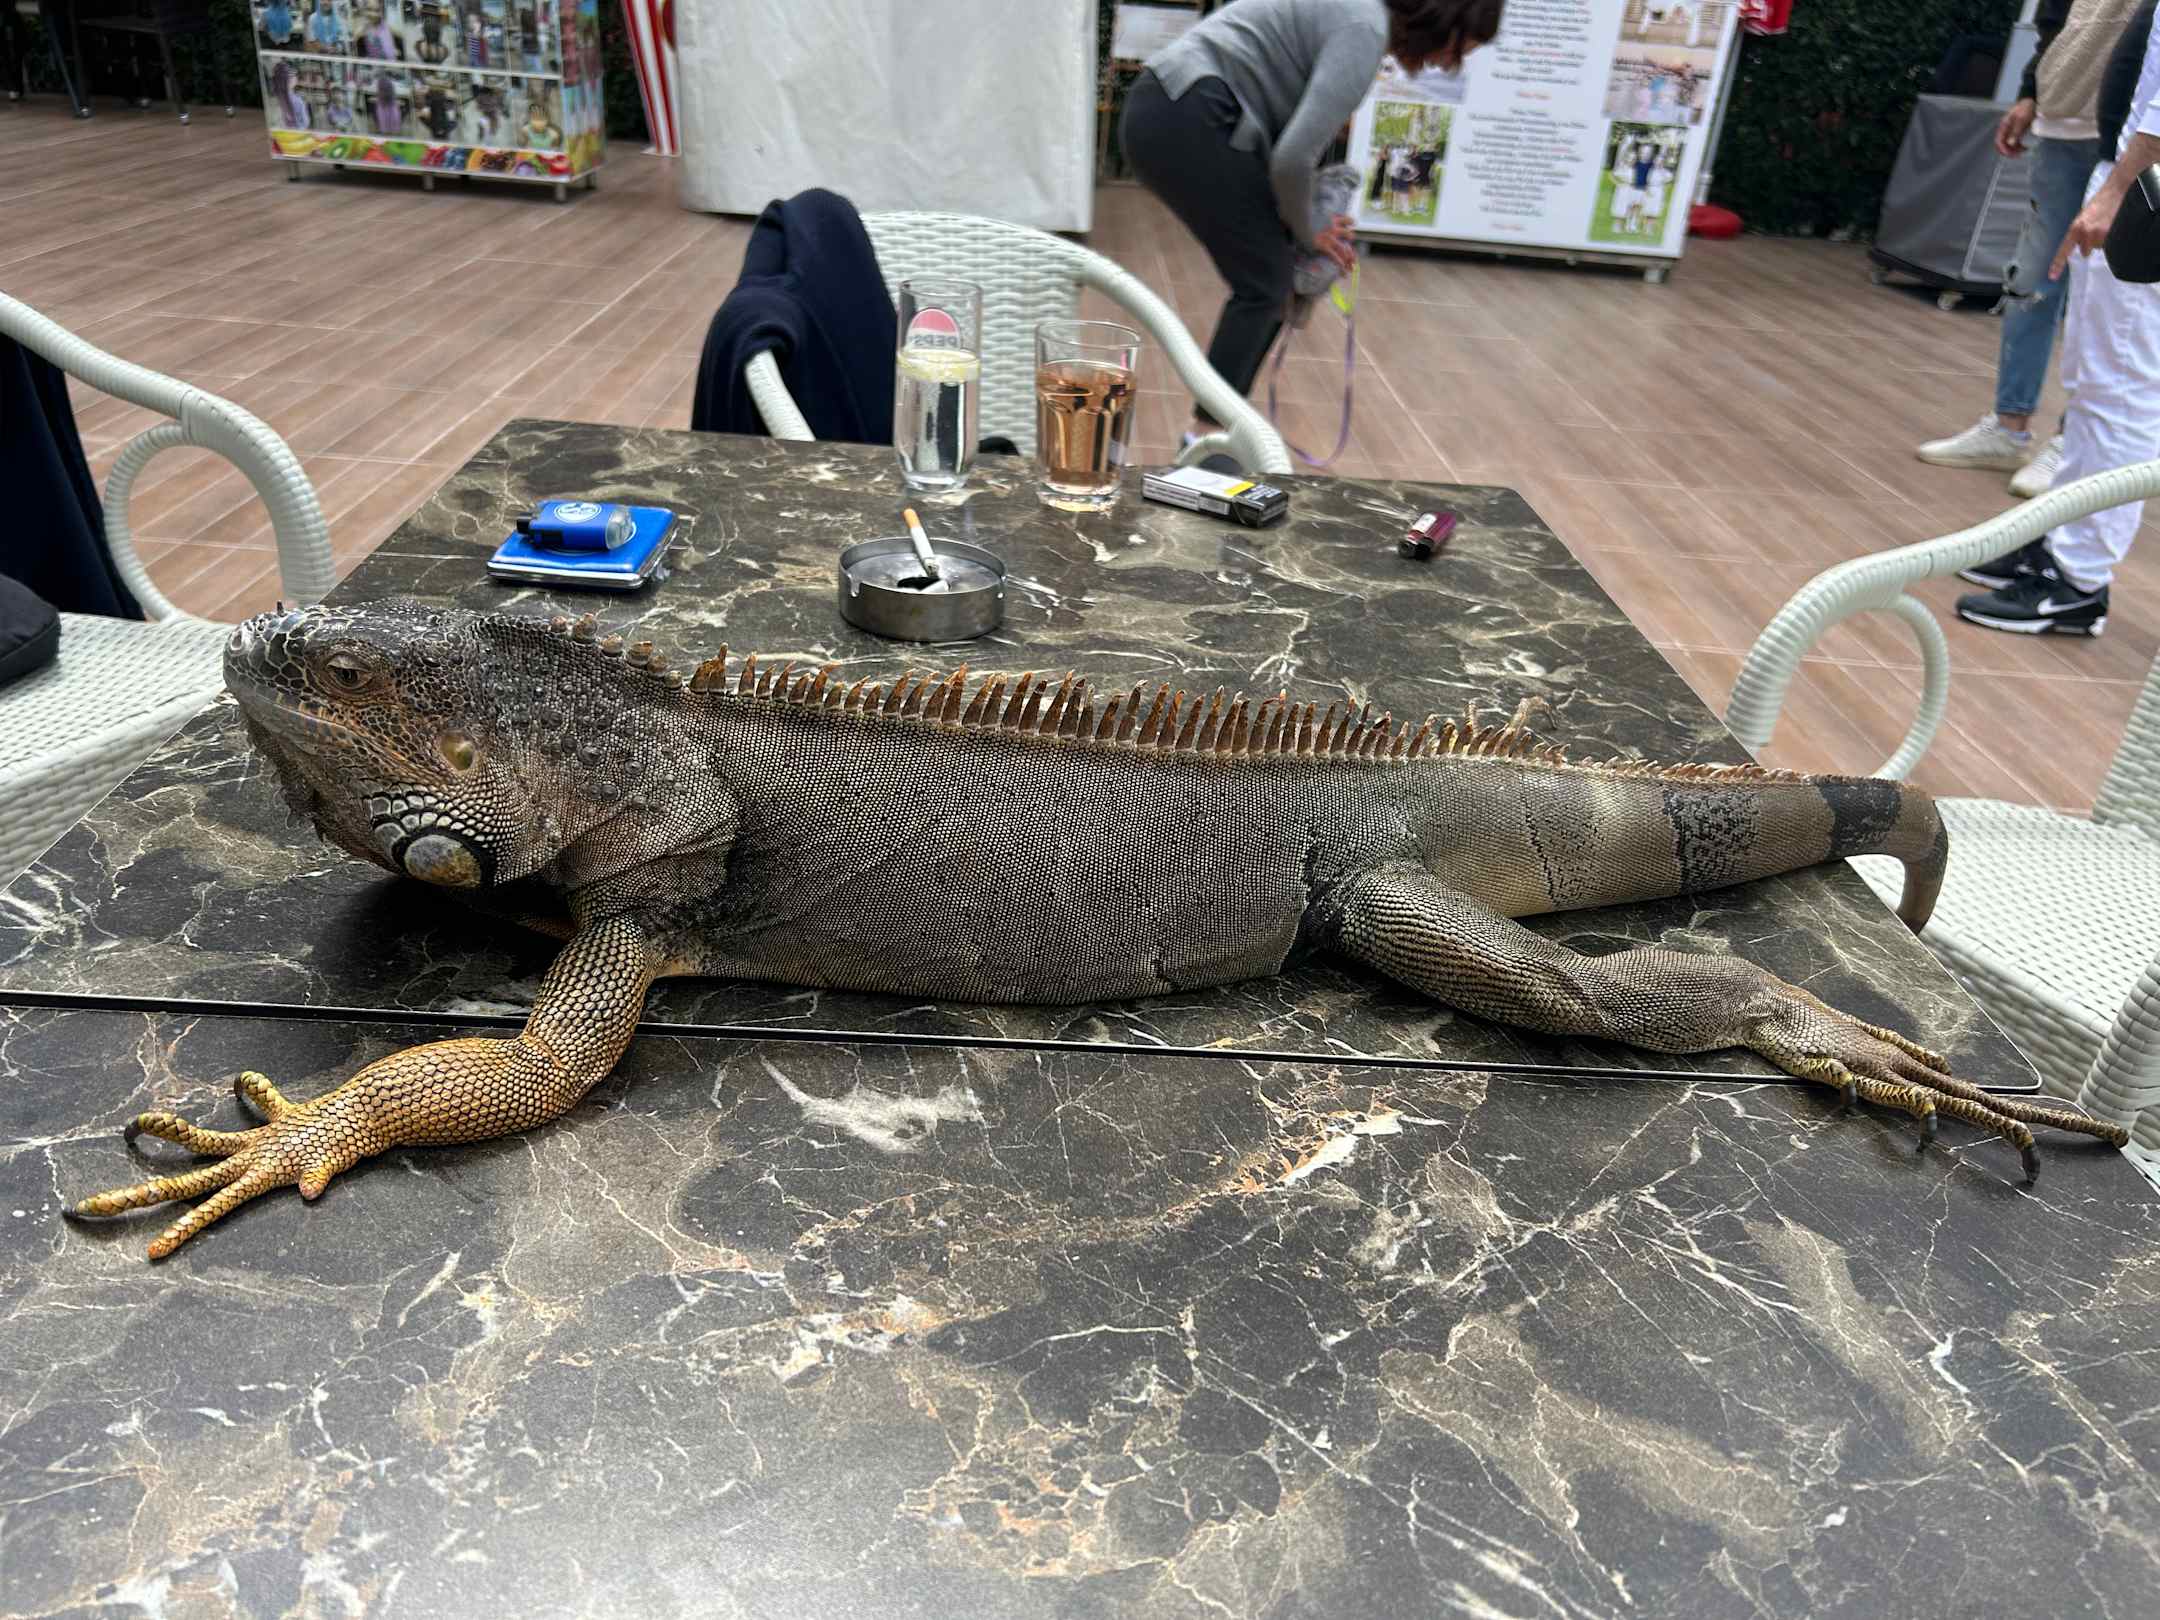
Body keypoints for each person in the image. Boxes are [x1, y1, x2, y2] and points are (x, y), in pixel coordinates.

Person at [1120, 0, 1505, 443]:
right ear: (1444, 21)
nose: (1451, 65)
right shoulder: (1365, 31)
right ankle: (1207, 440)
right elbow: (1292, 159)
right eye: (1461, 49)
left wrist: (1302, 226)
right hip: (1188, 112)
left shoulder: (1360, 14)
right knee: (1266, 281)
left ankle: (1215, 432)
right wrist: (1311, 231)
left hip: (1170, 103)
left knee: (1273, 277)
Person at [1957, 0, 2159, 636]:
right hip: (2130, 172)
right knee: (2097, 384)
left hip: (2143, 186)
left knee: (2121, 391)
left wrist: (2119, 188)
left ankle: (2078, 580)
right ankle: (2059, 543)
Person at [1918, 0, 2136, 497]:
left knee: (2104, 299)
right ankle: (2009, 426)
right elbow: (2055, 20)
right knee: (2031, 280)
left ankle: (2075, 442)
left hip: (2132, 137)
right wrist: (2031, 91)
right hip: (2064, 121)